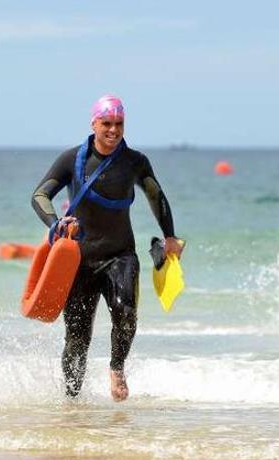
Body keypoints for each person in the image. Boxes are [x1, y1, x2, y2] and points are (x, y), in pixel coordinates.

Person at [31, 95, 181, 402]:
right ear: (94, 124)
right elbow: (39, 195)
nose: (113, 130)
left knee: (126, 313)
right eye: (107, 124)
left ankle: (116, 367)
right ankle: (72, 402)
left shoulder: (134, 162)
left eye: (119, 124)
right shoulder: (73, 160)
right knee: (77, 340)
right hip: (79, 261)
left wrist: (169, 236)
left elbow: (157, 197)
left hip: (120, 255)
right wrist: (55, 222)